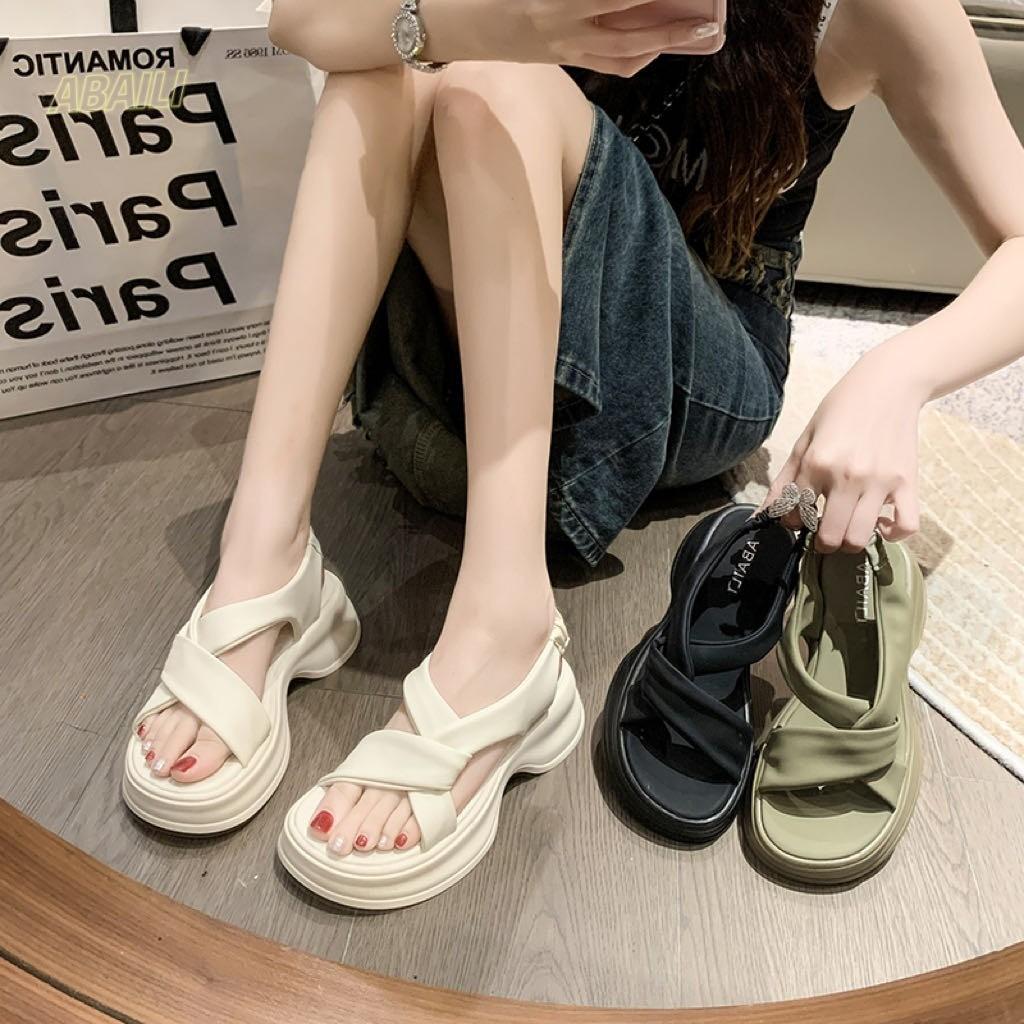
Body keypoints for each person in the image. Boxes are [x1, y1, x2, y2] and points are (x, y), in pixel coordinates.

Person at [133, 0, 1024, 861]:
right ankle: (266, 555)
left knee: (493, 84)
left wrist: (898, 374)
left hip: (692, 374)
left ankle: (503, 627)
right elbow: (301, 18)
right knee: (386, 58)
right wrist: (503, 20)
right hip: (490, 347)